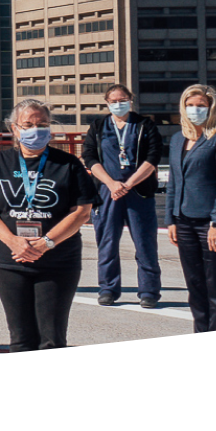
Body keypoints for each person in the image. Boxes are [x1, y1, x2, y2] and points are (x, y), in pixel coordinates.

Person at [0, 99, 97, 353]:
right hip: (10, 261)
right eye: (28, 124)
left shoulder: (69, 164)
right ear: (14, 129)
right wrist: (12, 240)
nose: (35, 129)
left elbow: (82, 212)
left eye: (42, 124)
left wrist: (46, 242)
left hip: (57, 261)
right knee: (21, 340)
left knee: (52, 340)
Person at [82, 84, 166, 308]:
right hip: (107, 192)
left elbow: (153, 156)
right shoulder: (98, 126)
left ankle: (149, 291)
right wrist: (111, 183)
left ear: (131, 100)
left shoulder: (144, 125)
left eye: (123, 99)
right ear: (107, 103)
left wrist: (128, 184)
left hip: (138, 191)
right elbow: (89, 156)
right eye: (114, 101)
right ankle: (108, 288)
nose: (119, 104)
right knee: (107, 243)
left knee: (145, 243)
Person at [166, 84, 216, 335]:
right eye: (190, 105)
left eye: (200, 106)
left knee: (215, 287)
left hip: (211, 224)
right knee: (194, 287)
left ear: (211, 109)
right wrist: (170, 220)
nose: (194, 110)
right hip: (183, 221)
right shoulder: (177, 140)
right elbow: (174, 181)